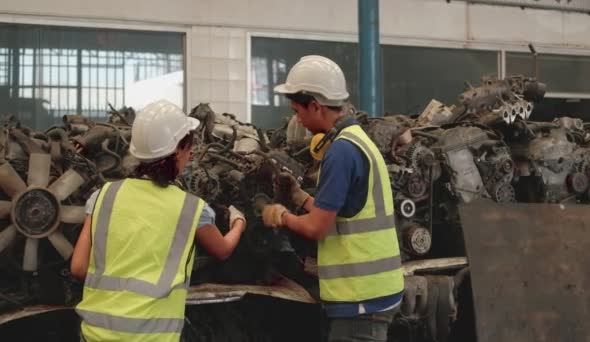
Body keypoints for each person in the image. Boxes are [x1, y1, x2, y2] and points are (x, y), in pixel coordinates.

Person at [70, 99, 247, 342]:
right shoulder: (192, 208)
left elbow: (79, 268)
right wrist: (239, 222)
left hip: (96, 334)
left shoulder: (103, 196)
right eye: (188, 147)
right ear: (178, 151)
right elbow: (223, 249)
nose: (191, 153)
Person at [262, 55, 404, 342]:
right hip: (376, 289)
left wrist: (280, 215)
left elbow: (317, 228)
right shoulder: (357, 140)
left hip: (360, 297)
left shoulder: (340, 152)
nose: (297, 120)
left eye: (297, 111)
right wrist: (301, 198)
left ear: (315, 105)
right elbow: (343, 214)